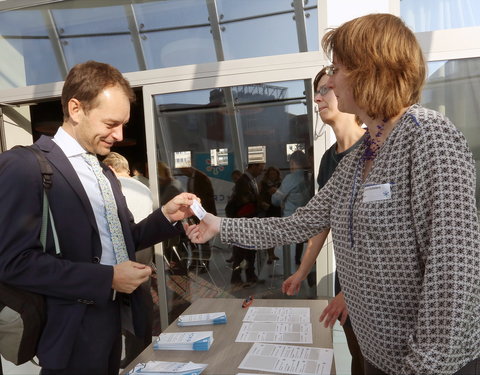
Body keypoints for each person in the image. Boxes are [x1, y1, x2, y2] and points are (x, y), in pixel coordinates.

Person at [185, 14, 480, 375]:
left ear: (368, 69)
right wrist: (217, 225)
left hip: (428, 365)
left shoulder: (428, 136)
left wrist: (425, 366)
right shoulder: (358, 157)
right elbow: (297, 225)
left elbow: (454, 269)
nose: (331, 80)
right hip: (377, 357)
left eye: (337, 68)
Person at [0, 60, 197, 375]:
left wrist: (165, 215)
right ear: (76, 109)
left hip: (121, 322)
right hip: (71, 333)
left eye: (123, 124)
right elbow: (13, 262)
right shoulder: (24, 167)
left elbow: (124, 239)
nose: (119, 135)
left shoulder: (104, 171)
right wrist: (106, 279)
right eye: (110, 123)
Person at [282, 66, 366, 375]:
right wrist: (302, 272)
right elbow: (320, 222)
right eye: (315, 92)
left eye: (324, 90)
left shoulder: (376, 149)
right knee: (358, 358)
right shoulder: (329, 159)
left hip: (375, 289)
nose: (317, 99)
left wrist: (352, 293)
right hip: (347, 281)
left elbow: (385, 238)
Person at [102, 151, 154, 369]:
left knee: (122, 307)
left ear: (111, 169)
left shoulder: (115, 188)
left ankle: (129, 356)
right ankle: (140, 353)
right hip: (145, 251)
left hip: (125, 253)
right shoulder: (144, 186)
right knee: (141, 304)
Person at [228, 163, 266, 286]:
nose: (262, 171)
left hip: (247, 219)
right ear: (253, 167)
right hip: (243, 220)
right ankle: (237, 277)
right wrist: (259, 204)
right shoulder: (243, 181)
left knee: (250, 250)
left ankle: (250, 275)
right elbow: (245, 200)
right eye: (260, 168)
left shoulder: (249, 180)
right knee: (241, 250)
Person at [271, 150, 311, 266]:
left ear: (293, 163)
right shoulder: (310, 176)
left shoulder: (290, 178)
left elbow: (275, 200)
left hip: (291, 223)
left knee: (288, 256)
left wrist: (276, 193)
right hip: (307, 222)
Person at [259, 166, 282, 264]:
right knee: (268, 234)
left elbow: (283, 195)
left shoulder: (280, 184)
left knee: (275, 233)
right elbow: (260, 195)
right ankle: (269, 255)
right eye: (271, 174)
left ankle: (272, 253)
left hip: (276, 210)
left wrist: (277, 192)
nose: (273, 175)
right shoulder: (263, 184)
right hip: (267, 209)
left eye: (274, 174)